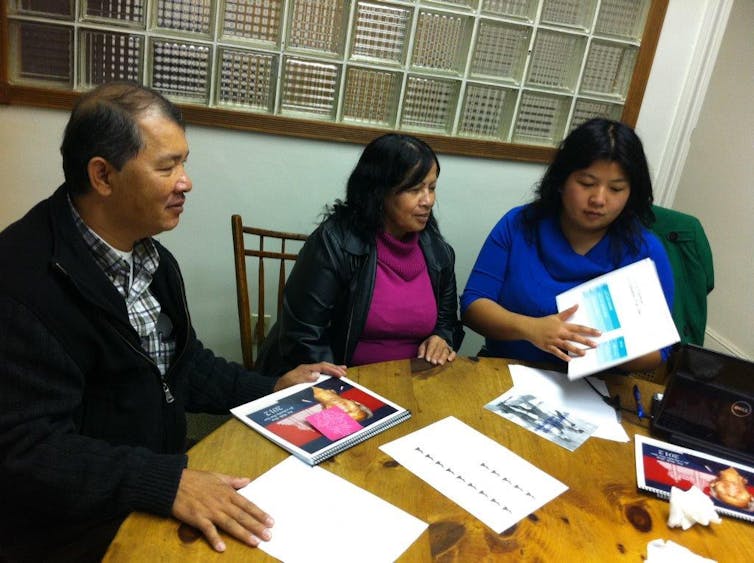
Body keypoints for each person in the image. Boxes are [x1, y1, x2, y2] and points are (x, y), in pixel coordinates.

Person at [0, 81, 346, 562]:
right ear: (103, 175)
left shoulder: (153, 259)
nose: (186, 181)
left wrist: (273, 389)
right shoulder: (22, 280)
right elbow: (26, 450)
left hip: (155, 484)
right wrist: (165, 483)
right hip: (72, 526)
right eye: (168, 166)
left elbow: (182, 367)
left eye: (184, 162)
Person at [461, 118, 674, 371]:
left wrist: (605, 349)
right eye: (586, 184)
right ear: (562, 181)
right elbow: (473, 306)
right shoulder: (519, 224)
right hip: (506, 371)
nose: (599, 199)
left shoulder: (645, 250)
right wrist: (532, 329)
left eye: (616, 189)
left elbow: (660, 352)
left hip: (595, 388)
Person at [257, 133, 464, 377]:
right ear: (379, 192)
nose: (428, 201)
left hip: (415, 381)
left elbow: (447, 321)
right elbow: (304, 336)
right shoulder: (334, 243)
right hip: (343, 382)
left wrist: (441, 337)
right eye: (415, 189)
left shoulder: (438, 252)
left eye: (432, 187)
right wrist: (339, 387)